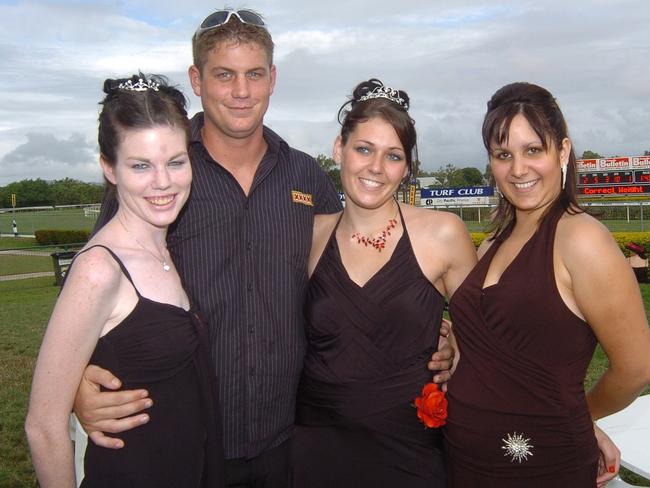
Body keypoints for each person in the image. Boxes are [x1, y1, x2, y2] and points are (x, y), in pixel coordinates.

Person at [71, 11, 456, 488]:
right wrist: (76, 384)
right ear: (196, 79)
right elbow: (95, 284)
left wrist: (441, 331)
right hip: (186, 437)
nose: (241, 91)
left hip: (287, 441)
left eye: (254, 74)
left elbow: (348, 272)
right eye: (224, 74)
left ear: (272, 79)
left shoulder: (304, 177)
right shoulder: (162, 175)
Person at [443, 81, 650, 487]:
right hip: (464, 458)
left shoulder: (582, 239)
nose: (518, 169)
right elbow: (500, 347)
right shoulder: (491, 243)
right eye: (503, 155)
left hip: (541, 466)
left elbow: (637, 367)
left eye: (532, 150)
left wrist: (581, 416)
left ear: (563, 151)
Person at [25, 74, 223, 487]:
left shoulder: (169, 250)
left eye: (175, 161)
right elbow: (43, 426)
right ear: (108, 168)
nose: (163, 182)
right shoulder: (99, 270)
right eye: (140, 166)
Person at [290, 79, 477, 487]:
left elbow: (489, 340)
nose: (376, 167)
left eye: (393, 155)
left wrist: (456, 342)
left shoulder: (443, 234)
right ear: (339, 149)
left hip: (408, 454)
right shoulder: (308, 234)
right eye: (363, 149)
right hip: (315, 451)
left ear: (407, 166)